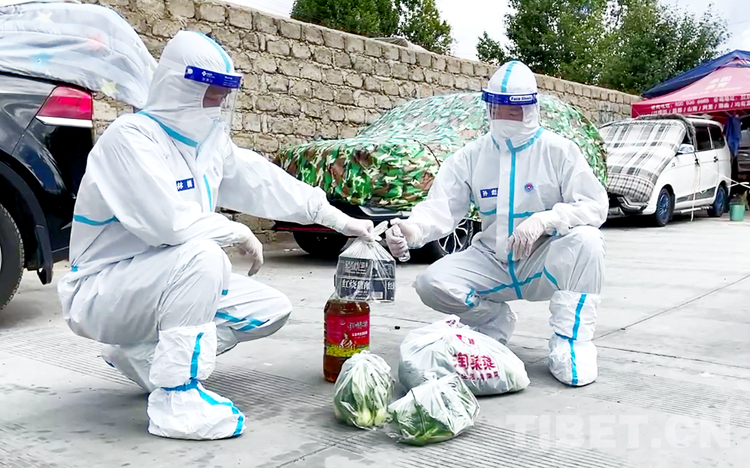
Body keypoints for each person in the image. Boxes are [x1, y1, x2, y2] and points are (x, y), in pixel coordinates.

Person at [57, 31, 372, 440]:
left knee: (268, 308)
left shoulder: (207, 144)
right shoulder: (131, 138)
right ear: (179, 85)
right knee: (204, 257)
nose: (220, 103)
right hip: (103, 290)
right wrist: (234, 230)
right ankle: (176, 398)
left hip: (158, 283)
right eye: (212, 92)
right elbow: (167, 224)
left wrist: (339, 220)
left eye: (225, 93)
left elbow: (264, 183)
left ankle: (142, 355)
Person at [385, 61, 608, 388]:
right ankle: (493, 319)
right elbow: (441, 208)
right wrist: (412, 229)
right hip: (492, 261)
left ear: (531, 109)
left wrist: (546, 220)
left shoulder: (558, 151)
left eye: (513, 111)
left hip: (541, 263)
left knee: (588, 242)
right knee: (431, 283)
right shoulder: (471, 156)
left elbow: (595, 206)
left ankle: (571, 340)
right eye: (497, 109)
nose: (505, 118)